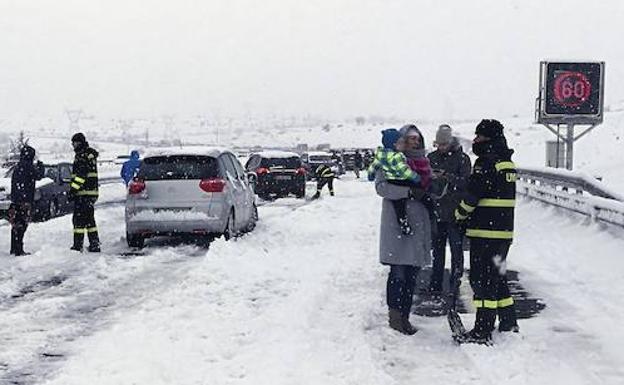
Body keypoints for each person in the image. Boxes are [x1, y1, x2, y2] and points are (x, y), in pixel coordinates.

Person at [454, 119, 518, 344]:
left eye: (478, 137)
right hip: (503, 234)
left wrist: (459, 215)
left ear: (487, 139)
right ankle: (509, 321)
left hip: (485, 232)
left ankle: (482, 330)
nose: (475, 140)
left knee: (481, 282)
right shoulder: (506, 163)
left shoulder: (485, 163)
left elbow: (473, 195)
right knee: (497, 277)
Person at [374, 128, 432, 335]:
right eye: (410, 139)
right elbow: (381, 187)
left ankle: (405, 315)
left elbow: (428, 186)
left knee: (412, 276)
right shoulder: (391, 159)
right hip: (397, 225)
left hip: (419, 226)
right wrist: (408, 192)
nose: (414, 143)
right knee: (398, 273)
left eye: (418, 139)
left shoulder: (424, 163)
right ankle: (396, 318)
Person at [427, 124, 472, 295]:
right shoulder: (431, 157)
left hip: (456, 213)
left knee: (456, 251)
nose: (441, 148)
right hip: (437, 211)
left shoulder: (462, 159)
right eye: (438, 144)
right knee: (437, 253)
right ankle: (435, 284)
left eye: (444, 144)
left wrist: (447, 177)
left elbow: (466, 183)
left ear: (451, 142)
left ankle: (456, 284)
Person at [367, 129, 423, 235]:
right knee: (407, 199)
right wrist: (416, 178)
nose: (404, 144)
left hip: (393, 181)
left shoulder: (381, 155)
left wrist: (370, 175)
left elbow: (373, 167)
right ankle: (403, 223)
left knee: (399, 206)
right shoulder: (397, 156)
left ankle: (403, 222)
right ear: (394, 144)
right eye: (403, 142)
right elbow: (404, 171)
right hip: (401, 181)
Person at [8, 145, 44, 256]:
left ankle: (14, 248)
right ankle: (19, 249)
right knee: (22, 224)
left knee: (15, 224)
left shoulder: (17, 167)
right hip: (25, 200)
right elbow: (38, 176)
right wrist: (41, 167)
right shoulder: (29, 167)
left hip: (15, 200)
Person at [69, 133, 101, 252]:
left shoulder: (82, 156)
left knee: (78, 220)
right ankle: (94, 243)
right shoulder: (89, 155)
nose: (73, 145)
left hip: (83, 193)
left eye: (74, 142)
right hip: (91, 193)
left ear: (80, 142)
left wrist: (73, 190)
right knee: (89, 220)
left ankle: (78, 245)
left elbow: (81, 175)